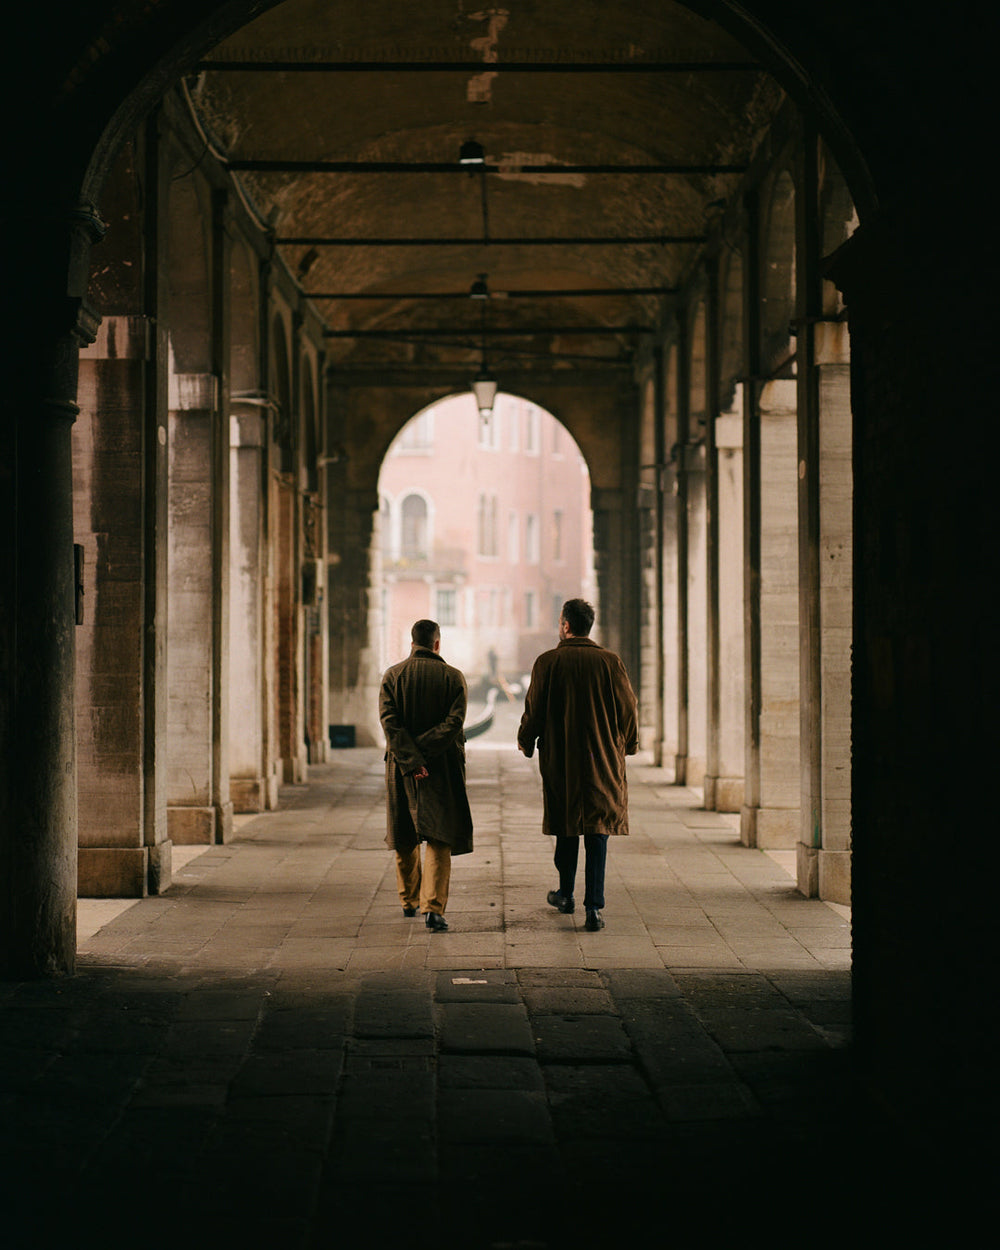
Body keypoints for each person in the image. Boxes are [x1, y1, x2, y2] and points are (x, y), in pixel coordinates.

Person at [517, 598, 638, 931]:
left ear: (566, 625)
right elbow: (629, 709)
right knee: (598, 831)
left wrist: (525, 741)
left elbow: (534, 710)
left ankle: (566, 893)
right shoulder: (610, 662)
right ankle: (594, 908)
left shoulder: (548, 662)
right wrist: (629, 743)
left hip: (562, 760)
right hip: (603, 761)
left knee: (566, 826)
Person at [380, 619, 473, 931]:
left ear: (411, 643)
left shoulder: (392, 676)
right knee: (439, 835)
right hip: (442, 766)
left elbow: (389, 723)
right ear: (437, 644)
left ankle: (408, 900)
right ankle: (433, 907)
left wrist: (410, 757)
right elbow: (454, 723)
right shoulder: (453, 677)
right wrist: (425, 754)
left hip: (401, 767)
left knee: (404, 831)